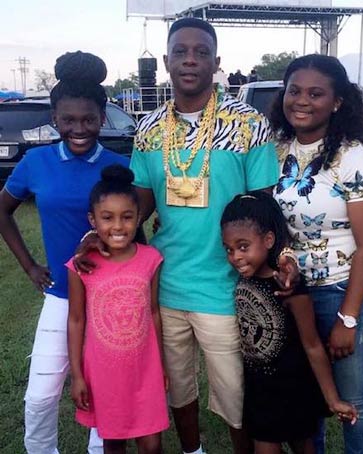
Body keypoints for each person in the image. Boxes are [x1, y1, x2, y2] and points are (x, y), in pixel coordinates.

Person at [75, 17, 284, 454]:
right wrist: (106, 235)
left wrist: (269, 266)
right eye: (181, 52)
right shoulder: (149, 127)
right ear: (167, 61)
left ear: (216, 61)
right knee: (177, 386)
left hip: (226, 286)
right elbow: (141, 203)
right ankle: (193, 450)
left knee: (234, 394)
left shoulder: (247, 123)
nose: (190, 60)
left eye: (201, 52)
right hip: (166, 284)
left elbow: (264, 204)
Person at [0, 51, 127, 454]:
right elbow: (2, 210)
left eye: (88, 119)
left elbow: (133, 230)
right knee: (40, 394)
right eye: (67, 119)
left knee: (104, 389)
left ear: (102, 118)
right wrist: (30, 266)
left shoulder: (119, 166)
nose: (78, 129)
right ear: (54, 117)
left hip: (111, 297)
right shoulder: (37, 162)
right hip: (60, 295)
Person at [269, 54, 363, 454]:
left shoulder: (353, 158)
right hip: (294, 293)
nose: (302, 100)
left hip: (344, 289)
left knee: (353, 399)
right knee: (307, 395)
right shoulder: (276, 148)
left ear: (336, 102)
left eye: (315, 94)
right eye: (294, 90)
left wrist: (348, 319)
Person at [221, 191, 358, 453]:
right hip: (260, 390)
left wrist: (332, 399)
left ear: (269, 240)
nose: (235, 257)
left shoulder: (288, 287)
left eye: (243, 247)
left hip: (294, 389)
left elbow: (313, 345)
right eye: (229, 249)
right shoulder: (244, 278)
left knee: (303, 446)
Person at [66, 165, 168, 454]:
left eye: (127, 217)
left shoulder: (151, 259)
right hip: (103, 373)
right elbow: (75, 321)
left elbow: (154, 312)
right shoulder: (81, 265)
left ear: (138, 219)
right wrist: (77, 375)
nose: (118, 226)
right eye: (107, 218)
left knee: (151, 444)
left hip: (145, 369)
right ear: (92, 220)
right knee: (114, 441)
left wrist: (160, 364)